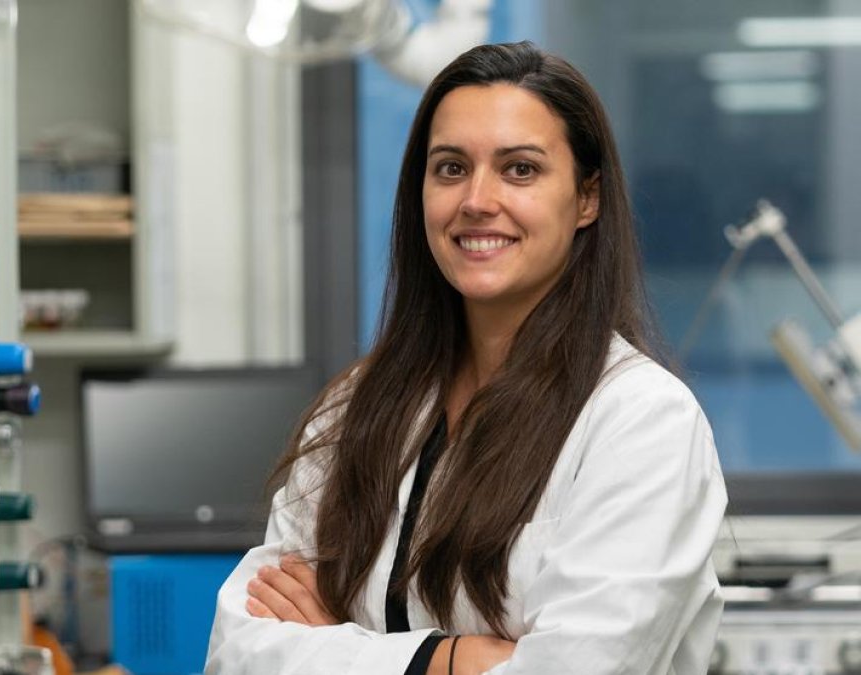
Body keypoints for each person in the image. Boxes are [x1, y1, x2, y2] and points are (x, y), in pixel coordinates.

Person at [204, 41, 727, 675]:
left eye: (520, 170)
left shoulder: (641, 422)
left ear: (587, 199)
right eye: (451, 168)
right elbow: (239, 650)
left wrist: (330, 645)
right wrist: (450, 659)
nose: (477, 200)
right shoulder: (357, 408)